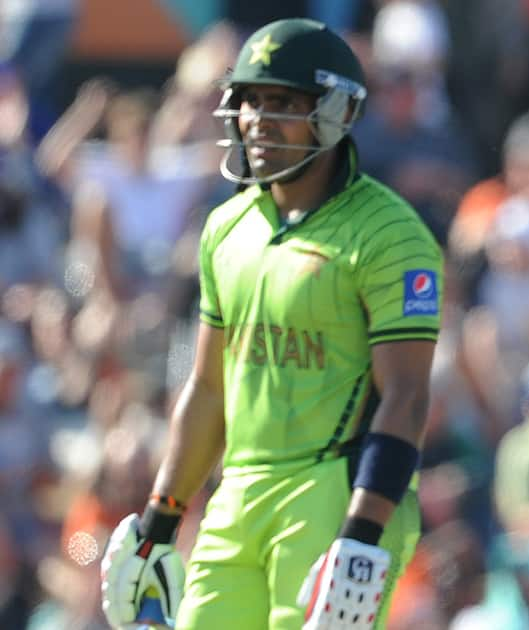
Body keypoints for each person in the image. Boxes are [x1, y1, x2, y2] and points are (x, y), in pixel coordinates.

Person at [99, 18, 443, 630]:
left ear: (335, 113)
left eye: (282, 102)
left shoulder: (390, 234)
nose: (257, 118)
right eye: (249, 100)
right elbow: (207, 391)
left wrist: (362, 535)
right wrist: (158, 523)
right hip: (238, 491)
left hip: (333, 488)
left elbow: (408, 397)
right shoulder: (225, 226)